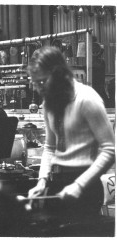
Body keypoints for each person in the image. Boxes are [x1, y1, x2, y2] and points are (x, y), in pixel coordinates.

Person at [27, 46, 115, 219]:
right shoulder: (49, 101)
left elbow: (109, 150)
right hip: (56, 182)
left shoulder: (87, 98)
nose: (38, 89)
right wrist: (42, 180)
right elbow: (50, 147)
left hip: (86, 185)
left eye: (42, 82)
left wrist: (79, 185)